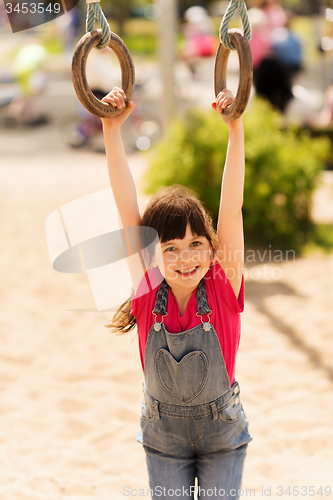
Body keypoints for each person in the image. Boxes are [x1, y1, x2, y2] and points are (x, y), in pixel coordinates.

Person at [101, 87, 252, 499]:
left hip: (222, 435)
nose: (186, 258)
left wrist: (235, 130)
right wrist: (111, 132)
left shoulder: (223, 285)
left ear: (211, 245)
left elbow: (230, 206)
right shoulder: (149, 290)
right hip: (163, 439)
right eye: (170, 248)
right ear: (153, 253)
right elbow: (125, 205)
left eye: (195, 244)